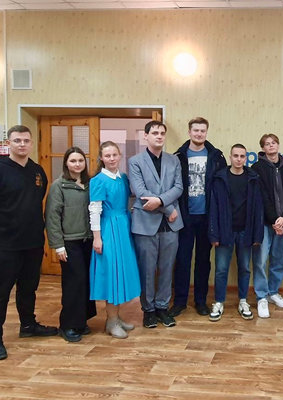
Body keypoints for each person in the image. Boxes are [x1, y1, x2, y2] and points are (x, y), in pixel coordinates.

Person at [0, 125, 57, 361]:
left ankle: (28, 325)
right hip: (6, 244)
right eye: (17, 140)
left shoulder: (37, 171)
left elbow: (37, 199)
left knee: (28, 288)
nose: (22, 144)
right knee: (0, 292)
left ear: (31, 143)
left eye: (26, 140)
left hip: (32, 242)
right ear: (8, 143)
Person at [129, 121, 184, 329]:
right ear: (146, 136)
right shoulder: (135, 161)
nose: (159, 136)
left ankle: (162, 307)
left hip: (171, 226)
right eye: (154, 133)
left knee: (167, 268)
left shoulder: (174, 160)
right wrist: (168, 208)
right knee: (147, 269)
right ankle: (148, 310)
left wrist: (160, 202)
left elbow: (178, 187)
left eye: (162, 133)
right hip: (146, 223)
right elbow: (140, 191)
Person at [171, 117, 227, 317]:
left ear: (206, 132)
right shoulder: (178, 156)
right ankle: (179, 302)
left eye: (202, 131)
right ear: (189, 132)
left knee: (203, 261)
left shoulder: (216, 156)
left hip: (207, 218)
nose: (199, 134)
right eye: (196, 130)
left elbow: (222, 190)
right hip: (184, 217)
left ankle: (201, 301)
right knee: (182, 260)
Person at [89, 141, 141, 339]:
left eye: (114, 155)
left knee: (121, 274)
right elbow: (95, 210)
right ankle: (111, 321)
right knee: (112, 275)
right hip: (108, 230)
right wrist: (97, 238)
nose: (111, 159)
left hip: (123, 228)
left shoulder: (123, 178)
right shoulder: (98, 180)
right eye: (107, 155)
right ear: (101, 158)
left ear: (120, 156)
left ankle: (117, 318)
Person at [45, 147, 97, 343]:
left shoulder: (90, 184)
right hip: (69, 242)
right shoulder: (59, 186)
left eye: (80, 160)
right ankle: (67, 325)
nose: (77, 164)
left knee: (86, 282)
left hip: (88, 240)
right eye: (73, 161)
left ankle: (81, 321)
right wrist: (58, 245)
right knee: (74, 283)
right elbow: (52, 217)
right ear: (66, 163)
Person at [208, 144, 264, 321]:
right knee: (221, 269)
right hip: (225, 232)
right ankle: (219, 302)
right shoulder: (220, 178)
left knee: (245, 268)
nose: (239, 159)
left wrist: (257, 234)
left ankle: (243, 301)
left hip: (246, 232)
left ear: (246, 158)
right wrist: (214, 234)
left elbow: (258, 209)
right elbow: (213, 208)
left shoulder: (253, 178)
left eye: (242, 156)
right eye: (236, 156)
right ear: (230, 157)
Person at [251, 133, 283, 318]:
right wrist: (273, 220)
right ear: (263, 148)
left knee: (278, 260)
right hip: (264, 223)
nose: (271, 146)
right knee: (261, 260)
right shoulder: (256, 168)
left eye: (274, 143)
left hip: (282, 223)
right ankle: (261, 296)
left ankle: (273, 292)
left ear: (278, 145)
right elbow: (261, 197)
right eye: (267, 144)